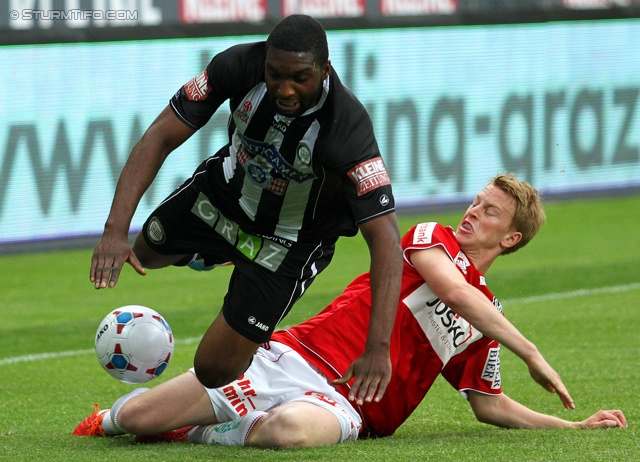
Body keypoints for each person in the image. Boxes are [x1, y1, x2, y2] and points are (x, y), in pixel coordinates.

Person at [74, 174, 627, 447]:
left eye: (489, 213)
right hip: (293, 356)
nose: (472, 212)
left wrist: (572, 424)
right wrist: (529, 350)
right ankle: (118, 416)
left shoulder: (486, 318)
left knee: (292, 433)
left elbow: (490, 405)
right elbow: (457, 294)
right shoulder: (433, 239)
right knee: (137, 421)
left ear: (509, 239)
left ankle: (205, 429)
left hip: (349, 407)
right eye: (477, 201)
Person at [89, 14, 403, 398]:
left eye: (300, 78)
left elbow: (386, 237)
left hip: (289, 242)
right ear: (264, 62)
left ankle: (235, 259)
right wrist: (115, 230)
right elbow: (159, 136)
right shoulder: (236, 65)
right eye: (275, 74)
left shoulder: (347, 128)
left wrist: (378, 348)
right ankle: (214, 253)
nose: (284, 89)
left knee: (213, 370)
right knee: (146, 253)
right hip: (223, 195)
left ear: (324, 71)